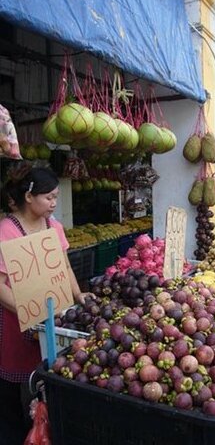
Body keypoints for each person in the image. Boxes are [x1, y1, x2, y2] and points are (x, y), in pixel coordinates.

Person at [0, 162, 94, 444]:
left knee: (45, 384)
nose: (55, 203)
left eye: (56, 197)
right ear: (29, 197)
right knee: (12, 396)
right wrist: (28, 311)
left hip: (52, 320)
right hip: (15, 323)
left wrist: (78, 296)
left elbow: (64, 267)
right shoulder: (6, 230)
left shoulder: (54, 227)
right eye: (49, 197)